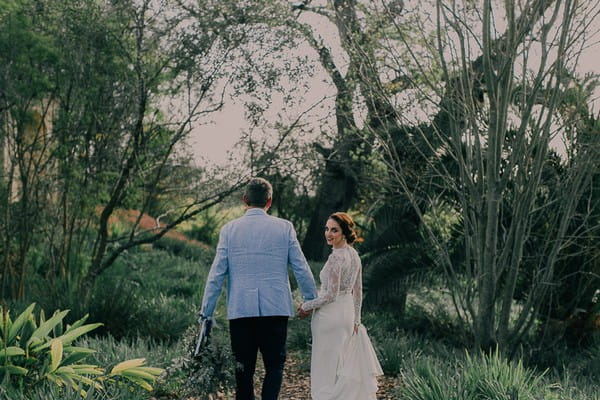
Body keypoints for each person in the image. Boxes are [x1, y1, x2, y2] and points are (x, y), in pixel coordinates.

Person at [199, 177, 318, 400]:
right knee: (275, 366)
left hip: (241, 310)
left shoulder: (229, 230)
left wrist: (206, 313)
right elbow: (301, 267)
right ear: (269, 201)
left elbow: (216, 275)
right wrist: (311, 300)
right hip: (275, 309)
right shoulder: (284, 228)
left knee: (243, 370)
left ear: (245, 199)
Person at [298, 212, 383, 400]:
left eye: (334, 230)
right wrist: (357, 319)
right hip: (347, 315)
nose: (329, 234)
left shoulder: (337, 258)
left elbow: (331, 294)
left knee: (326, 365)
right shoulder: (354, 255)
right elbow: (358, 291)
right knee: (341, 364)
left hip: (330, 316)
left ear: (344, 233)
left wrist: (307, 306)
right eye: (327, 229)